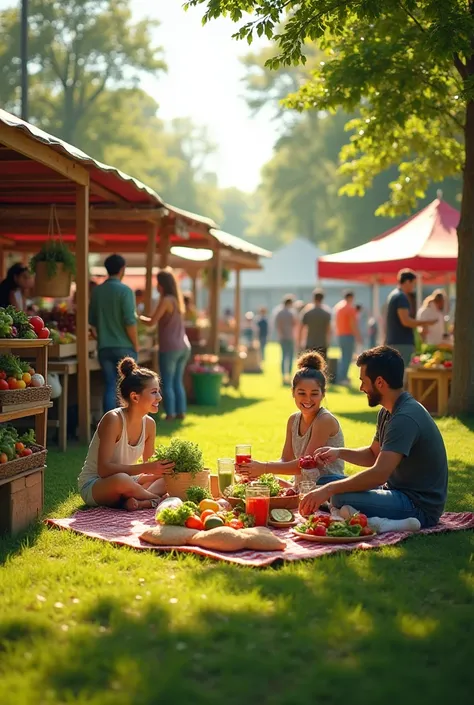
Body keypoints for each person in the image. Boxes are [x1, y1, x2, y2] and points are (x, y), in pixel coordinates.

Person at [300, 346, 448, 531]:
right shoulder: (388, 411)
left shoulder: (404, 418)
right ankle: (353, 513)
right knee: (322, 482)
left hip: (418, 506)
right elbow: (372, 455)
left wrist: (330, 490)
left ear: (379, 382)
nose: (361, 388)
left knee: (337, 494)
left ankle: (385, 524)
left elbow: (379, 474)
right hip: (394, 492)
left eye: (363, 381)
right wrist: (338, 453)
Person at [77, 358, 175, 511]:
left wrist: (162, 468)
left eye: (158, 391)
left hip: (129, 481)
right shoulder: (113, 420)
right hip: (96, 484)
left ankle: (137, 501)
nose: (159, 397)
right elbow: (104, 470)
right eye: (154, 392)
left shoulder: (149, 424)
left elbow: (149, 467)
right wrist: (146, 468)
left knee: (169, 478)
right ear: (135, 397)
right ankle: (154, 499)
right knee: (121, 480)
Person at [237, 351, 345, 488]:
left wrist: (264, 467)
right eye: (301, 393)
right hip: (301, 488)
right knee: (255, 485)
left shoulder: (324, 420)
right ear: (293, 392)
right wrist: (256, 470)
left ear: (323, 394)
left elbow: (306, 465)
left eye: (314, 393)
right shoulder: (293, 420)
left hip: (326, 489)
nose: (307, 399)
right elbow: (285, 460)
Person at [89, 254, 139, 413]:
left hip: (104, 347)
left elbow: (92, 321)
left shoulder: (97, 291)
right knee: (129, 387)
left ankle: (109, 422)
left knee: (110, 384)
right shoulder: (125, 291)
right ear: (122, 269)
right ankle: (126, 424)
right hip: (125, 347)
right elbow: (130, 321)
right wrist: (136, 345)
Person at [140, 268, 191, 421]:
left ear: (161, 285)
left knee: (167, 382)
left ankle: (170, 414)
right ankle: (180, 412)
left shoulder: (166, 300)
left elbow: (152, 322)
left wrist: (135, 316)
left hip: (170, 347)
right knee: (177, 381)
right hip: (184, 346)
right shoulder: (177, 300)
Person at [385, 269, 436, 368]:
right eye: (413, 283)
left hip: (395, 341)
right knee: (402, 375)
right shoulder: (401, 297)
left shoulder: (393, 295)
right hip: (402, 343)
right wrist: (427, 322)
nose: (414, 286)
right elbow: (406, 321)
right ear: (408, 281)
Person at [333, 290, 359, 385]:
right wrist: (358, 336)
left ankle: (341, 377)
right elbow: (353, 324)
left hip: (340, 334)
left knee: (343, 356)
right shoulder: (350, 308)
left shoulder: (338, 307)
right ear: (351, 297)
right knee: (347, 357)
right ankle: (342, 378)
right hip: (348, 334)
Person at [299, 288, 331, 359]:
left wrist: (299, 342)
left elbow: (301, 328)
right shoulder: (326, 313)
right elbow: (328, 330)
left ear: (313, 298)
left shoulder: (307, 312)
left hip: (310, 343)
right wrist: (328, 342)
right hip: (322, 344)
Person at [275, 294, 297, 384]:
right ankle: (289, 374)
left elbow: (278, 325)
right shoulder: (291, 312)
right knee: (290, 356)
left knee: (284, 356)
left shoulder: (279, 312)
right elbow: (295, 323)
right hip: (290, 337)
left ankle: (284, 375)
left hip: (283, 337)